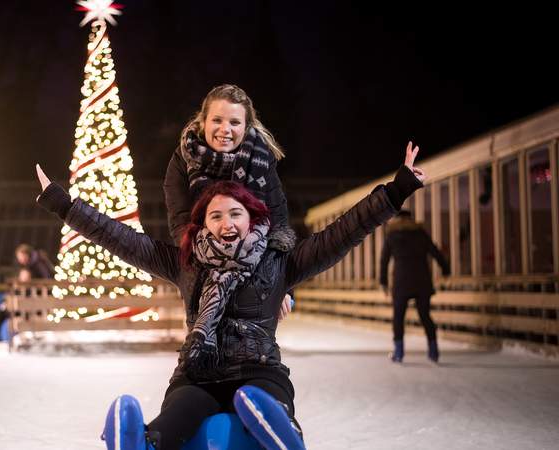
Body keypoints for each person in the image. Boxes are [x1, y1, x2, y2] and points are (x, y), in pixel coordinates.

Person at [35, 141, 425, 450]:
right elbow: (120, 239)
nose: (226, 223)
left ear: (252, 218)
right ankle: (144, 443)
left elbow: (341, 234)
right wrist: (63, 205)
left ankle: (284, 437)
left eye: (235, 213)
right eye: (215, 216)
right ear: (203, 224)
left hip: (259, 371)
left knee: (261, 403)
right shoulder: (186, 263)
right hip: (198, 376)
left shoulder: (279, 262)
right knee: (179, 415)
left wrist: (396, 191)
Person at [163, 84, 296, 317]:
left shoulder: (260, 158)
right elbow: (181, 224)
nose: (225, 129)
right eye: (217, 120)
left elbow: (278, 226)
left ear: (246, 127)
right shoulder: (183, 159)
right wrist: (195, 280)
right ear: (203, 121)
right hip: (204, 270)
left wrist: (282, 287)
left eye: (234, 123)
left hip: (255, 272)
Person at [379, 209, 450, 363]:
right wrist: (446, 269)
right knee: (425, 315)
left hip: (401, 281)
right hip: (421, 280)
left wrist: (383, 282)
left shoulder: (392, 235)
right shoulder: (420, 233)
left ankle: (399, 352)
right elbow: (435, 251)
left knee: (399, 317)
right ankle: (433, 351)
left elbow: (384, 260)